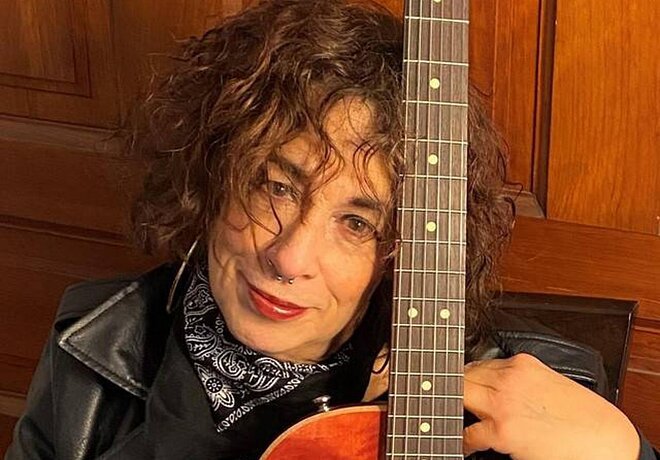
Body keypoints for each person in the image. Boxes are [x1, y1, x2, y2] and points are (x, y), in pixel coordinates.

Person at [6, 1, 658, 459]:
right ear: (215, 172)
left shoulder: (518, 395)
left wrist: (624, 452)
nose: (290, 257)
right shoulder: (98, 340)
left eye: (356, 222)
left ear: (404, 248)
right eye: (276, 186)